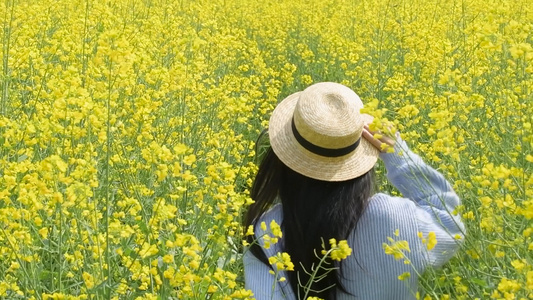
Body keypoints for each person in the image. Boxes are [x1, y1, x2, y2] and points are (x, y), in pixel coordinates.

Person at [243, 82, 465, 300]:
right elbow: (451, 225)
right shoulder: (397, 218)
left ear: (283, 160)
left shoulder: (266, 232)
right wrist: (398, 155)